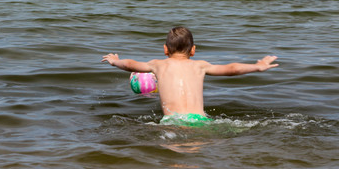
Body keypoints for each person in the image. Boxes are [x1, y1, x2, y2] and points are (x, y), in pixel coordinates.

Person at [102, 26, 278, 125]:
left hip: (173, 122)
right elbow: (231, 69)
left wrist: (115, 60)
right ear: (193, 50)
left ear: (165, 50)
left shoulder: (158, 65)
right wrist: (257, 66)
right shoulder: (200, 66)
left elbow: (130, 65)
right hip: (202, 121)